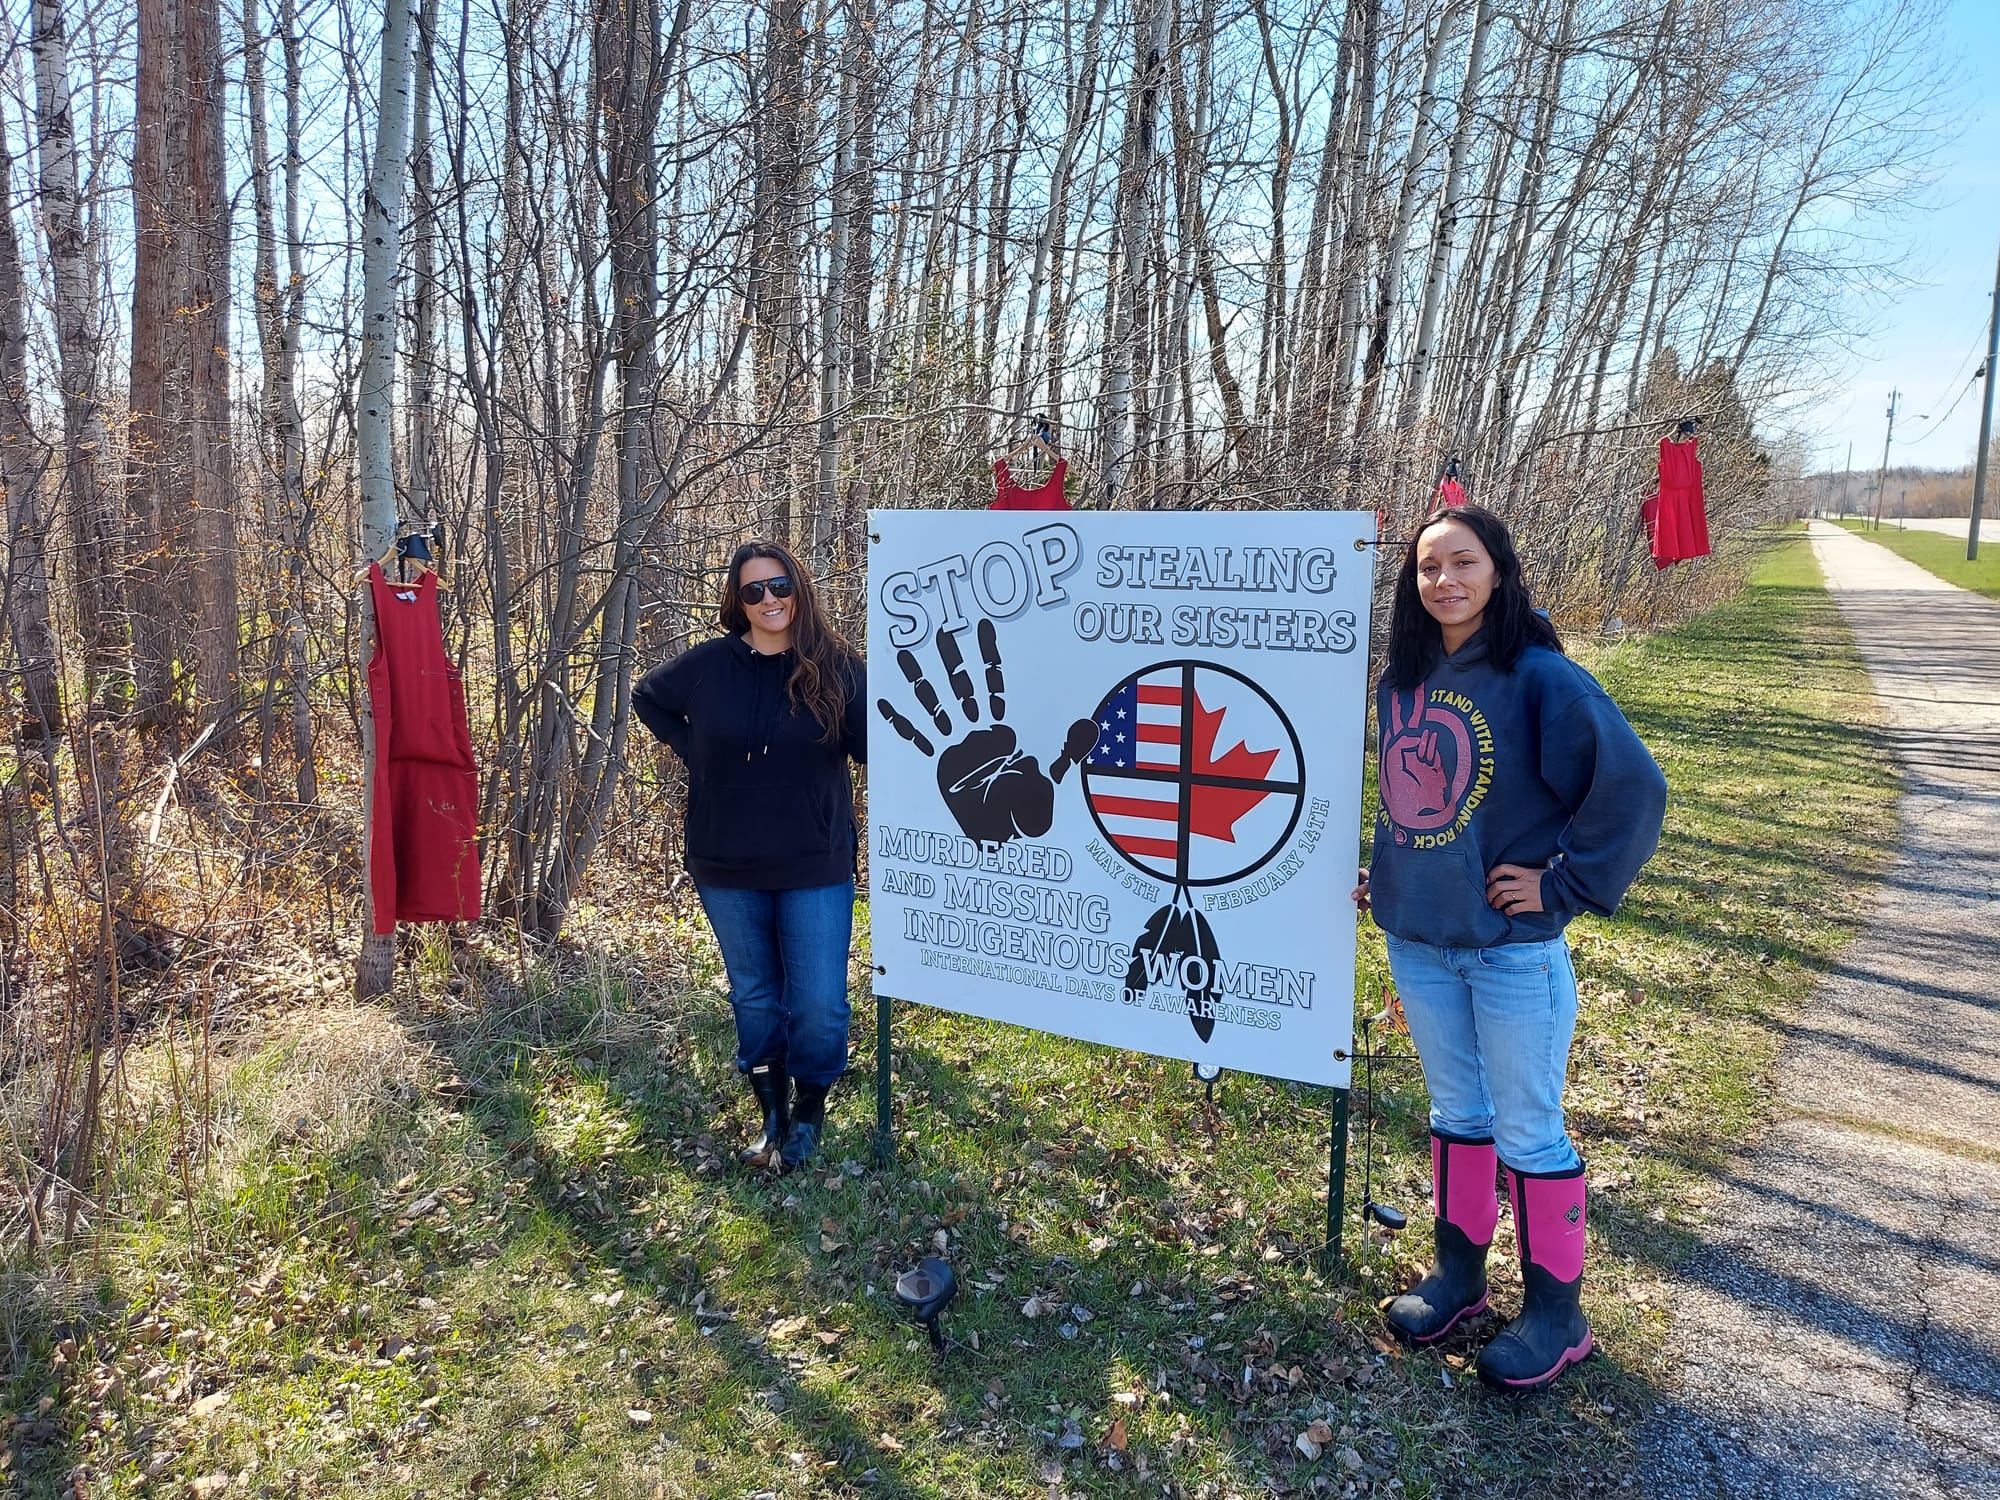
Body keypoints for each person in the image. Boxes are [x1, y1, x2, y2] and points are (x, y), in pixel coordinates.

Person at [1351, 504, 1667, 1391]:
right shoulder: (1404, 679)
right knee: (1459, 1116)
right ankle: (1459, 1282)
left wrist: (1562, 885)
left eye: (1463, 562)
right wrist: (1391, 876)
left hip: (1509, 950)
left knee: (1527, 1126)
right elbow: (1416, 807)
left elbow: (1634, 789)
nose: (1444, 580)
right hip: (1419, 942)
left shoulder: (1541, 678)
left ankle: (1557, 1318)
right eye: (1427, 567)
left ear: (1498, 570)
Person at [633, 541, 867, 1174]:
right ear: (737, 602)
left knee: (819, 1001)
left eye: (779, 584)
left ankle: (811, 1107)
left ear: (800, 586)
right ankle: (772, 1112)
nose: (769, 600)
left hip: (814, 860)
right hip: (726, 860)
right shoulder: (710, 665)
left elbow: (878, 747)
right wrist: (696, 750)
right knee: (756, 995)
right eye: (753, 590)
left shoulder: (838, 667)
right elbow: (646, 697)